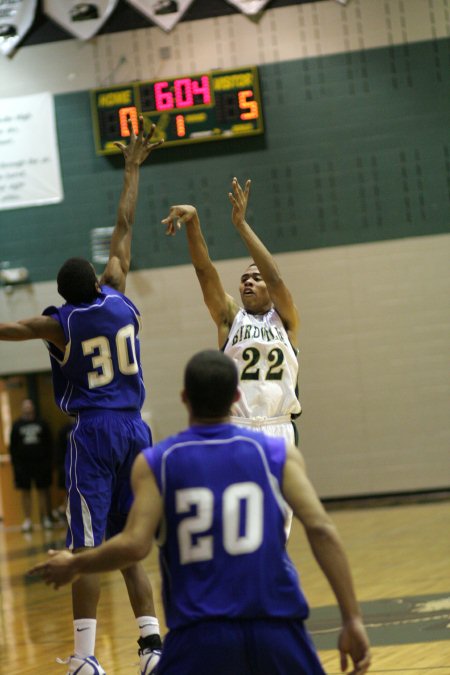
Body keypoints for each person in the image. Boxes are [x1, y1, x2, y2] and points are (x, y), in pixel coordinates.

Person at [30, 350, 372, 675]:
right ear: (237, 396)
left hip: (199, 637)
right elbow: (322, 529)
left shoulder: (157, 462)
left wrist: (74, 563)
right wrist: (352, 619)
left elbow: (134, 545)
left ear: (184, 398)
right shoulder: (278, 454)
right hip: (277, 629)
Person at [0, 116, 163, 675]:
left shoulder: (58, 324)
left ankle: (87, 660)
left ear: (61, 296)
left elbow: (9, 330)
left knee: (87, 544)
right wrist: (131, 168)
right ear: (96, 280)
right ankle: (151, 649)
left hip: (93, 432)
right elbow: (123, 223)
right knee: (127, 541)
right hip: (137, 430)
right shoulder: (118, 296)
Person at [162, 177, 301, 448]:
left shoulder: (286, 319)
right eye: (244, 278)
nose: (248, 281)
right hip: (238, 427)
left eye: (255, 278)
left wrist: (241, 225)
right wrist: (193, 224)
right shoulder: (231, 318)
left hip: (280, 425)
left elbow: (275, 279)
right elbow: (205, 271)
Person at [10, 398, 54, 532]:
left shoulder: (42, 423)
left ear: (33, 408)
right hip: (23, 465)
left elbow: (49, 444)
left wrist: (49, 462)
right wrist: (16, 465)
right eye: (25, 406)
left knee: (43, 491)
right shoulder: (17, 425)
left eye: (30, 405)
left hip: (40, 464)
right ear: (22, 408)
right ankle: (28, 520)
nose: (28, 408)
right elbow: (13, 446)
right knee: (25, 492)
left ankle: (45, 518)